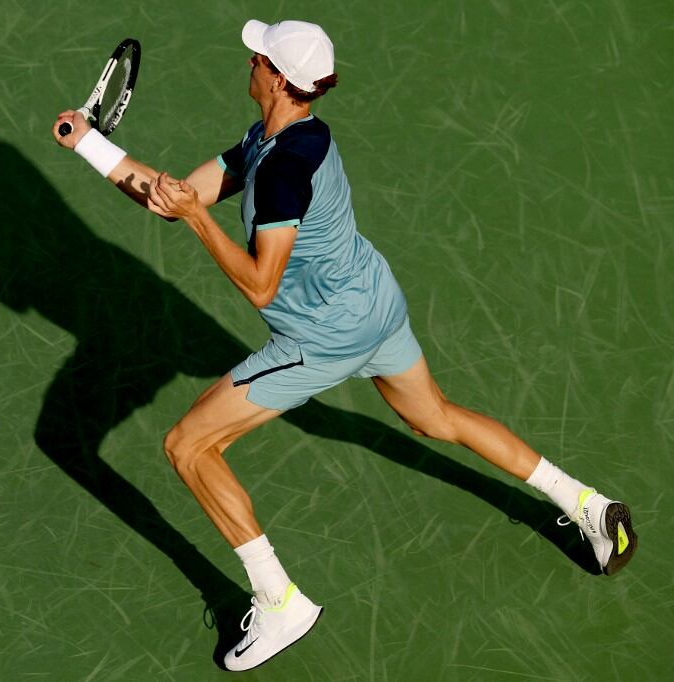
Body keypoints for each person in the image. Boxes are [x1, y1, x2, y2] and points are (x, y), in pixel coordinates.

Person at [53, 19, 638, 672]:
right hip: (374, 304)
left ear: (279, 79)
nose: (249, 62)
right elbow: (174, 199)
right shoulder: (284, 138)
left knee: (188, 446)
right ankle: (588, 505)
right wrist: (91, 145)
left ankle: (278, 601)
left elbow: (260, 285)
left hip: (323, 337)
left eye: (259, 58)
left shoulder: (283, 171)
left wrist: (198, 221)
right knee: (436, 417)